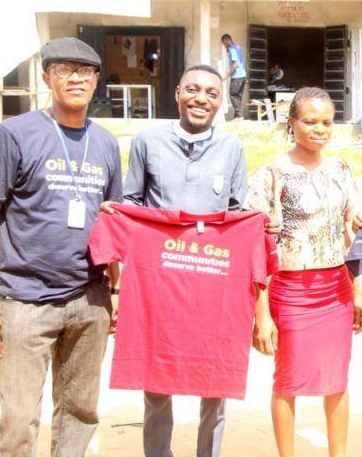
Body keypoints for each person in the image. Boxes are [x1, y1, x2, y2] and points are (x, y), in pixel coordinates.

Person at [0, 37, 123, 455]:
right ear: (47, 77)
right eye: (63, 70)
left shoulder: (106, 143)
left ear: (96, 80)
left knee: (80, 412)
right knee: (19, 418)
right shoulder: (15, 135)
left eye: (85, 71)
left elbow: (111, 224)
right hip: (26, 301)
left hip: (89, 300)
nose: (75, 78)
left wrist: (115, 289)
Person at [112, 63, 253, 456]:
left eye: (211, 93)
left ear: (221, 102)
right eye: (192, 89)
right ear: (177, 94)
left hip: (213, 278)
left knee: (216, 376)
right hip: (160, 280)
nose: (201, 99)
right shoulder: (147, 141)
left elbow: (238, 212)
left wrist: (259, 226)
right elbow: (132, 202)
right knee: (156, 375)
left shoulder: (232, 148)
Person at [246, 87, 362, 457]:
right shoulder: (271, 174)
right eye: (311, 121)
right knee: (288, 379)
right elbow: (255, 248)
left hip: (336, 290)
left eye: (327, 122)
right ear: (292, 123)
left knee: (337, 378)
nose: (320, 129)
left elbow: (350, 233)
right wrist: (261, 314)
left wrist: (358, 291)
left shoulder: (342, 171)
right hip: (290, 290)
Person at [221, 33, 247, 120]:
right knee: (238, 96)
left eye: (224, 43)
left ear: (227, 40)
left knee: (233, 94)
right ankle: (237, 116)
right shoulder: (238, 47)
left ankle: (239, 115)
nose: (224, 46)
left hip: (237, 76)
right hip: (243, 75)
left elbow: (235, 65)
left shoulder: (232, 49)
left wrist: (226, 75)